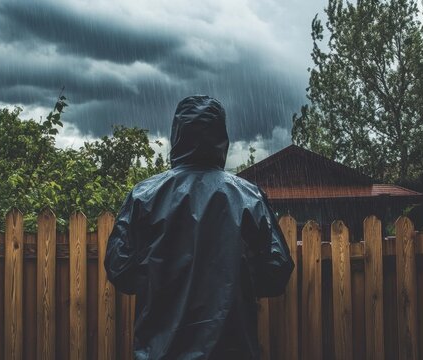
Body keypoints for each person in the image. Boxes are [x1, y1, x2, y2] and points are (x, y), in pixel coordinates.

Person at [104, 95, 294, 359]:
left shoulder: (144, 196)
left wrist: (160, 280)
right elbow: (276, 272)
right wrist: (234, 283)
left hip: (161, 351)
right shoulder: (248, 196)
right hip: (233, 349)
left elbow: (120, 269)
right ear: (221, 137)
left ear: (177, 134)